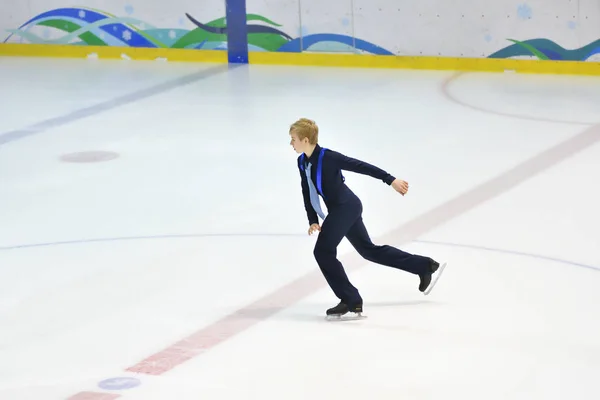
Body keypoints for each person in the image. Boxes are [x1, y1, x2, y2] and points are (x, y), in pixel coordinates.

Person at [289, 118, 443, 319]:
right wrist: (312, 219)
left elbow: (361, 166)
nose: (291, 143)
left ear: (306, 140)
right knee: (369, 251)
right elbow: (306, 190)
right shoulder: (302, 162)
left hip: (346, 207)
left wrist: (390, 180)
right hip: (342, 208)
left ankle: (351, 299)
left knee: (323, 251)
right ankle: (424, 266)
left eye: (293, 139)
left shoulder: (329, 157)